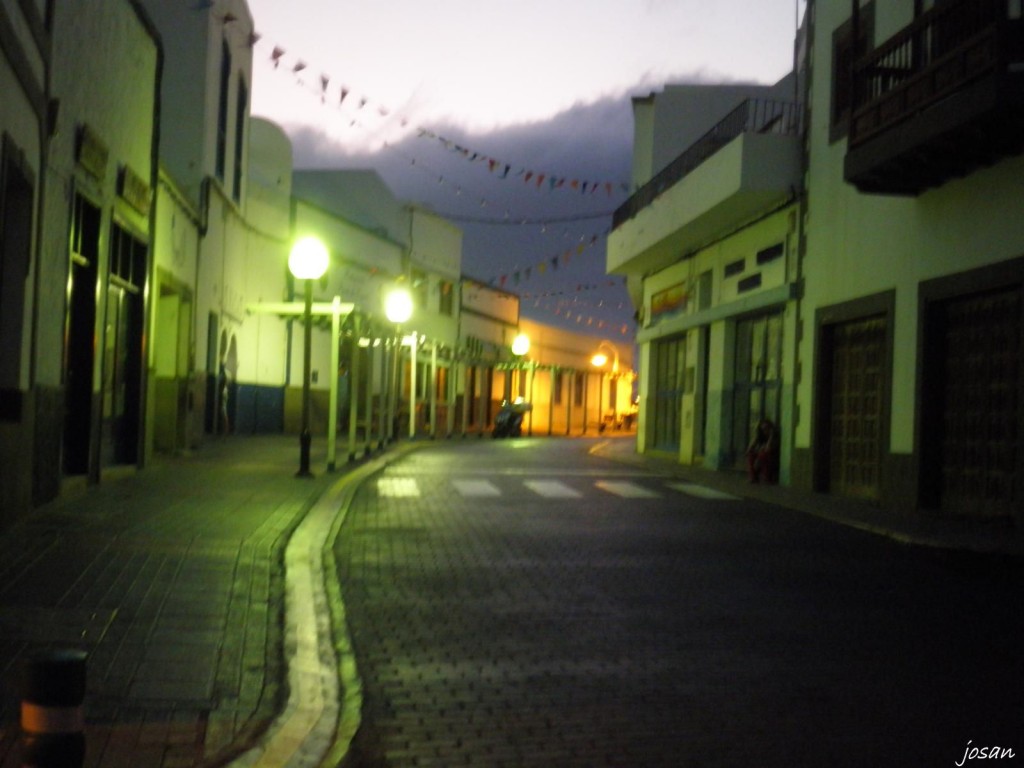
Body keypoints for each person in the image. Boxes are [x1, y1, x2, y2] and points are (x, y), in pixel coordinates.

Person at [746, 418, 777, 483]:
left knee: (763, 454)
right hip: (760, 458)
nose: (765, 431)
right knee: (751, 455)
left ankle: (766, 477)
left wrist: (771, 436)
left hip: (770, 459)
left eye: (766, 429)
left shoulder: (773, 437)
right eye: (763, 429)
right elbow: (749, 449)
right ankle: (753, 477)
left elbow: (768, 449)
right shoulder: (761, 436)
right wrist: (756, 435)